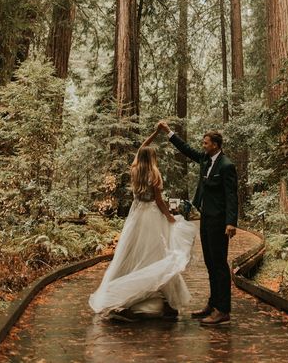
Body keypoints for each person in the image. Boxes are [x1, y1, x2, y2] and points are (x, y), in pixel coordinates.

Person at [88, 127, 197, 322]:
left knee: (132, 253)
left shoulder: (134, 170)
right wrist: (170, 217)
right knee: (156, 255)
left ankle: (129, 298)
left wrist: (155, 133)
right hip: (151, 217)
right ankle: (165, 301)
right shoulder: (154, 174)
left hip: (136, 216)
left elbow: (141, 149)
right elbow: (159, 201)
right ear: (153, 158)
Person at [157, 120, 238, 326]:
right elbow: (186, 149)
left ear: (216, 145)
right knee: (210, 263)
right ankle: (212, 304)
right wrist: (169, 132)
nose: (203, 146)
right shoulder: (205, 159)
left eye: (206, 143)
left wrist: (231, 222)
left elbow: (231, 195)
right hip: (206, 218)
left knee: (219, 264)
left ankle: (223, 310)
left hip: (220, 220)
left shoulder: (227, 166)